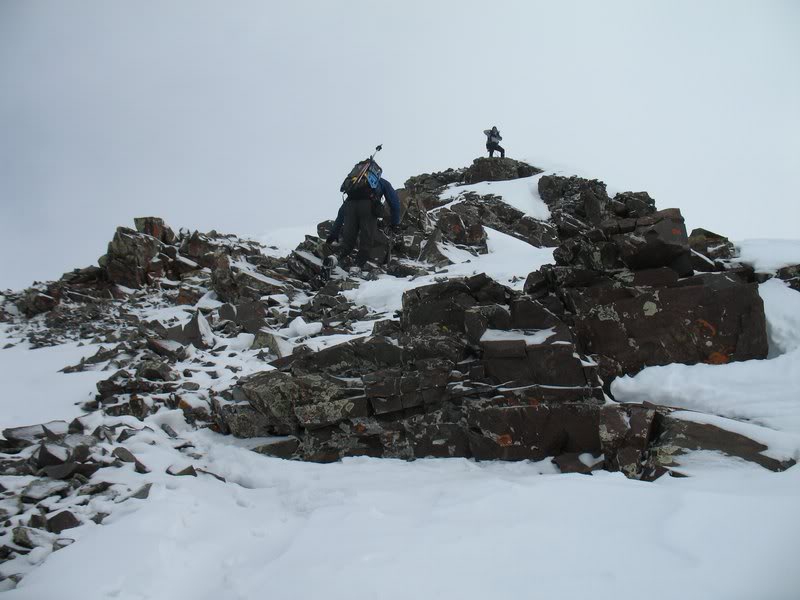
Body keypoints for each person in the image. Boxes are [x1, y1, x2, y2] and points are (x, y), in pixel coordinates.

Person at [326, 176, 401, 269]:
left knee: (348, 242)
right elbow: (395, 203)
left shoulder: (355, 183)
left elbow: (341, 212)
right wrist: (395, 223)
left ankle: (334, 257)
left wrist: (334, 233)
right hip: (368, 207)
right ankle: (357, 267)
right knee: (366, 242)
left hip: (350, 206)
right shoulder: (381, 182)